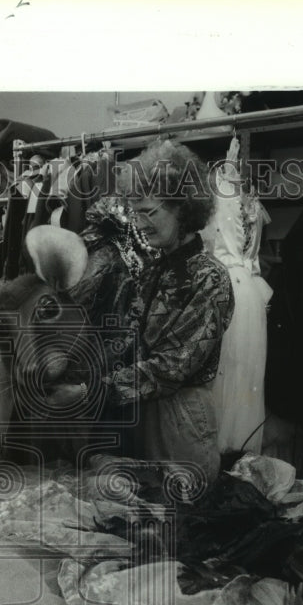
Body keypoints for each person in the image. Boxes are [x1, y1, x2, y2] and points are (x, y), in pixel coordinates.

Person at [48, 138, 234, 485]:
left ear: (183, 208)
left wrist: (93, 391)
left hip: (178, 422)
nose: (142, 223)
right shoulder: (149, 269)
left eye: (151, 212)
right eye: (136, 212)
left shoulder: (210, 279)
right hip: (131, 414)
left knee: (178, 520)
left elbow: (172, 367)